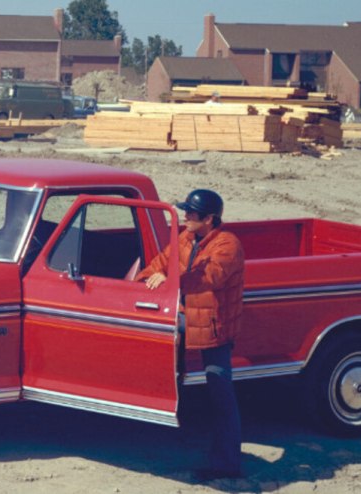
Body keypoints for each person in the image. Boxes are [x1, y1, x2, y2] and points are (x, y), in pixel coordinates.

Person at [138, 189, 245, 480]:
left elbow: (210, 276)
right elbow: (158, 264)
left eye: (192, 214)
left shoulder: (228, 245)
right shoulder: (185, 238)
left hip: (214, 328)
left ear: (209, 219)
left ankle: (227, 464)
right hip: (183, 319)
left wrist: (171, 279)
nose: (186, 217)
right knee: (170, 379)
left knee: (221, 393)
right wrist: (145, 279)